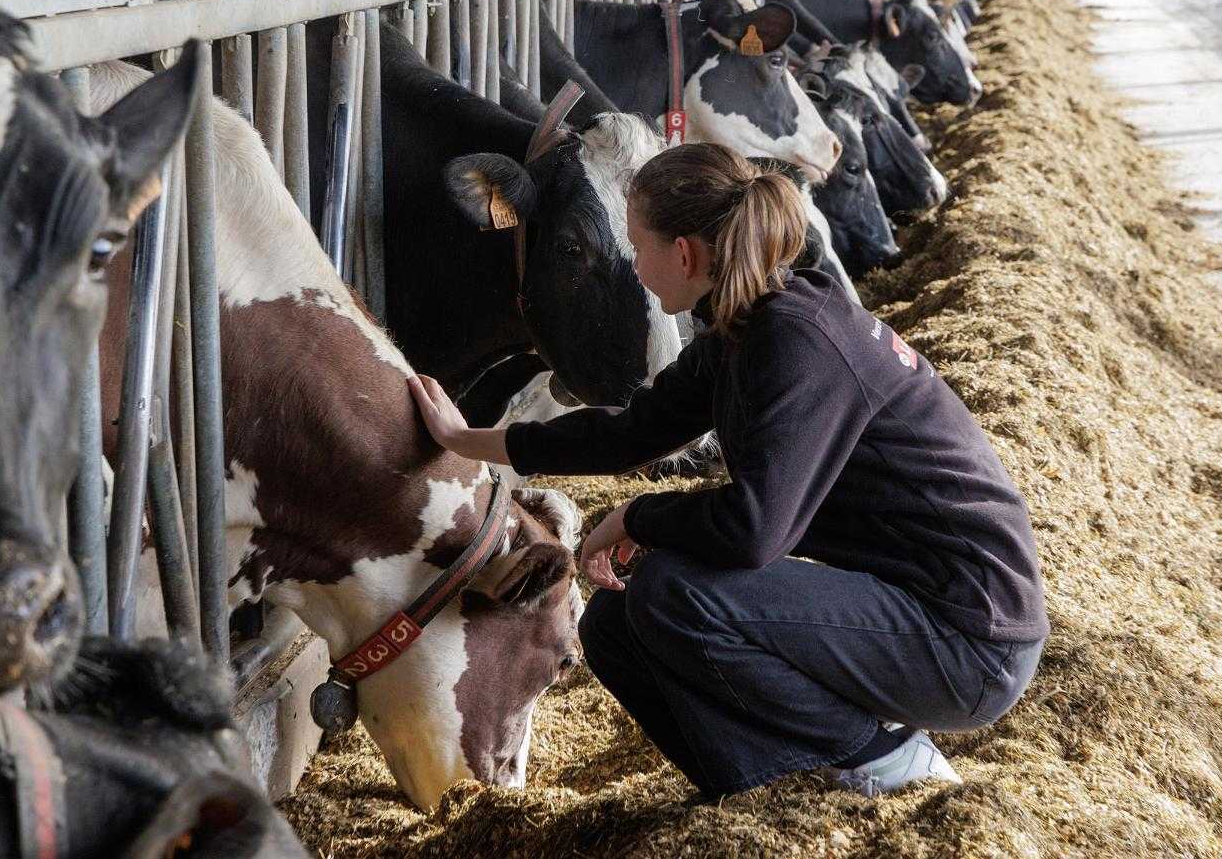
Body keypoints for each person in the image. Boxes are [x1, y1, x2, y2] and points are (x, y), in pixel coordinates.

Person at [409, 142, 1048, 799]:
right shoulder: (749, 325)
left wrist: (636, 516)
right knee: (614, 626)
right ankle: (762, 793)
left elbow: (753, 531)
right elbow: (629, 433)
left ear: (684, 255)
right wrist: (466, 440)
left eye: (637, 246)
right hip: (914, 609)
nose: (634, 265)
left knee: (672, 592)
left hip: (970, 641)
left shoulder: (797, 342)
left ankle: (885, 758)